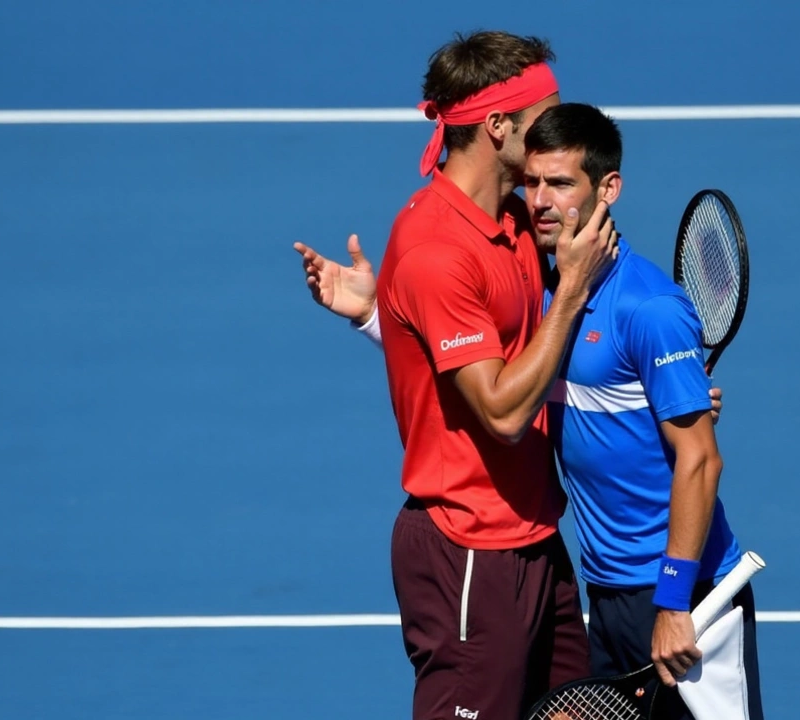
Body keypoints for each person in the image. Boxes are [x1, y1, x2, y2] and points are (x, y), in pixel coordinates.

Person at [304, 101, 762, 719]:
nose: (540, 201)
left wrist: (674, 603)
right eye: (533, 181)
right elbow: (488, 373)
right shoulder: (555, 295)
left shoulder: (648, 308)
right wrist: (373, 316)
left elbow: (701, 462)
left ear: (609, 189)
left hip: (687, 597)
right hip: (606, 591)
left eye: (561, 184)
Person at [296, 32, 618, 720]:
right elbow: (501, 414)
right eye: (545, 117)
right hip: (471, 550)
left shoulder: (511, 217)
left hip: (534, 534)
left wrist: (382, 317)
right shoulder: (438, 250)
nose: (558, 131)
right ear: (499, 126)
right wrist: (572, 293)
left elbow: (480, 355)